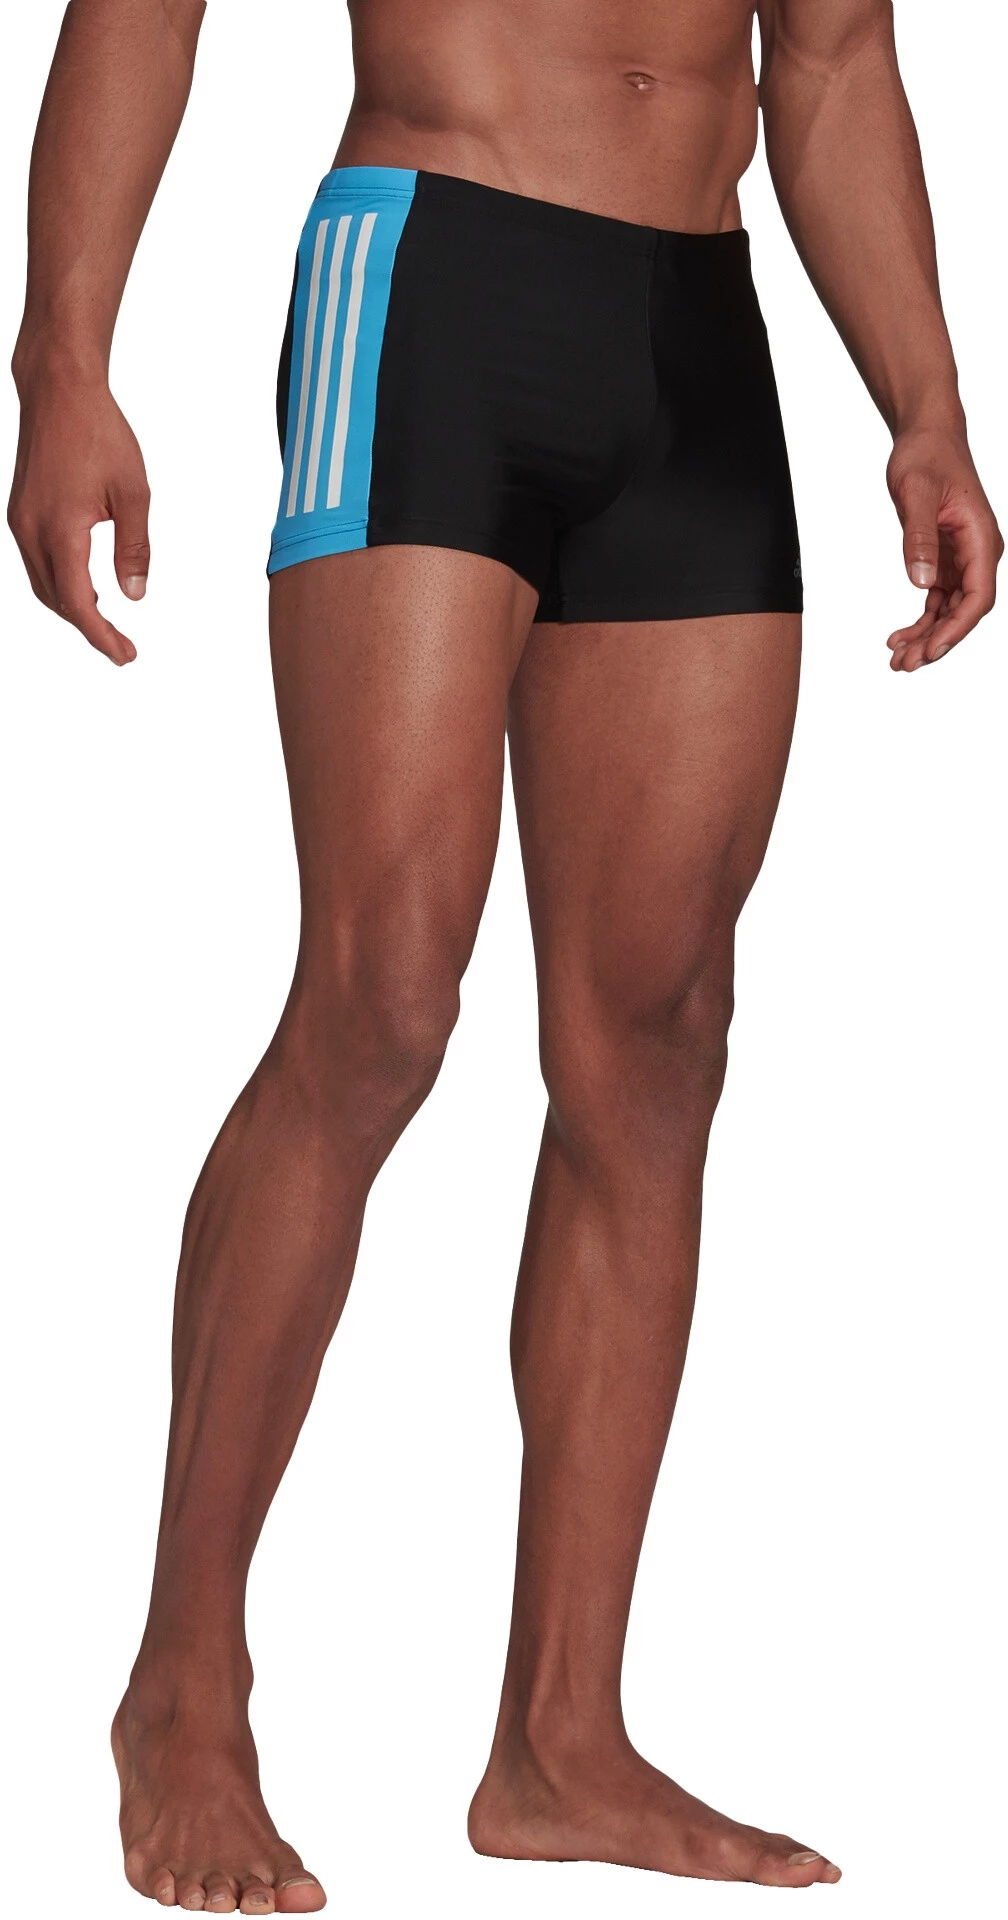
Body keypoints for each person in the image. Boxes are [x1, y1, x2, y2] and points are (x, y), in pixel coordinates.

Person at [8, 0, 1002, 1912]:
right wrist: (65, 360)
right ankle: (183, 1686)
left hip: (697, 332)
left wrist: (928, 407)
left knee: (658, 1038)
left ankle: (562, 1739)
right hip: (430, 273)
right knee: (380, 1000)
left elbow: (835, 56)